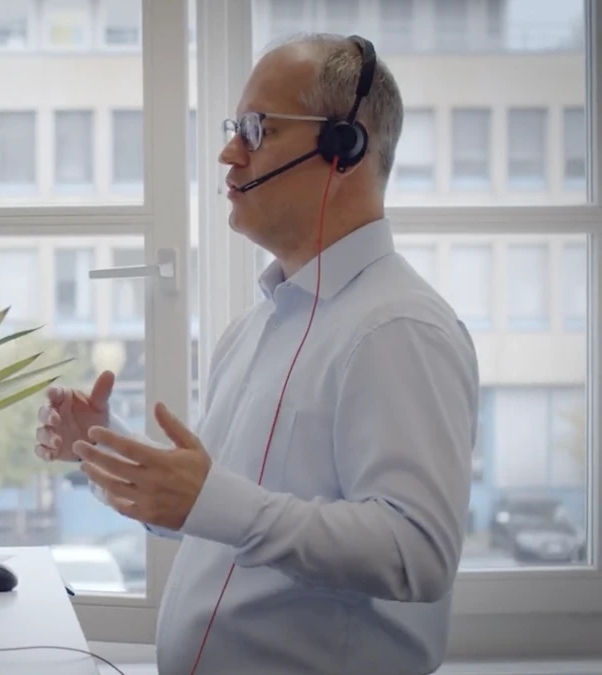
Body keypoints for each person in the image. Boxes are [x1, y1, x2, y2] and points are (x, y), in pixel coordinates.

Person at [35, 33, 480, 675]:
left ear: (343, 148)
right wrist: (104, 448)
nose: (228, 153)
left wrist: (216, 502)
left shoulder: (398, 328)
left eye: (256, 130)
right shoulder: (255, 329)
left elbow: (418, 553)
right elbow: (214, 513)